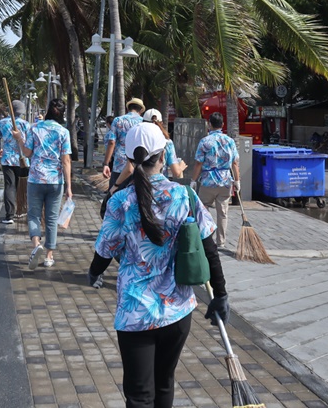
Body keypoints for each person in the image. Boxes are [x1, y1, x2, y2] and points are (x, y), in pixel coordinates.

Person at [89, 122, 229, 408]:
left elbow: (105, 250)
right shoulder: (185, 195)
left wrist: (94, 272)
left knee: (139, 395)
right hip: (177, 310)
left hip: (135, 311)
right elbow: (208, 248)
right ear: (163, 156)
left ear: (130, 159)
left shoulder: (120, 201)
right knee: (165, 382)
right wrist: (221, 294)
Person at [15, 98, 73, 269]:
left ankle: (36, 245)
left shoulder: (35, 128)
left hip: (35, 179)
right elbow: (66, 160)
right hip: (55, 181)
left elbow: (27, 152)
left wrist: (19, 139)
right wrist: (69, 186)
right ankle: (49, 256)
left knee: (33, 215)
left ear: (47, 110)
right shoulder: (63, 132)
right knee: (51, 219)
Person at [190, 112, 240, 248]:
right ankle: (221, 241)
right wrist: (237, 181)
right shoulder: (230, 141)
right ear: (222, 124)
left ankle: (206, 237)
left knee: (203, 209)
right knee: (223, 212)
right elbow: (235, 163)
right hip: (225, 181)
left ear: (209, 124)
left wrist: (193, 180)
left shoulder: (205, 142)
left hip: (208, 181)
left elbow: (198, 163)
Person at [110, 108, 185, 191]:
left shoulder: (138, 141)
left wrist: (116, 185)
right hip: (161, 188)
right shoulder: (167, 143)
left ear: (142, 122)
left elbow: (129, 169)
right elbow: (176, 172)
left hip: (139, 186)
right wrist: (181, 167)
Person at [0, 100, 30, 224]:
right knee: (22, 186)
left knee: (10, 186)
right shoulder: (26, 124)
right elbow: (29, 142)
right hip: (23, 160)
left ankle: (9, 215)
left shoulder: (2, 123)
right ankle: (21, 210)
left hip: (7, 159)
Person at [102, 97, 145, 189]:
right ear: (141, 110)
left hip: (119, 164)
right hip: (138, 165)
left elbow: (111, 142)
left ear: (127, 108)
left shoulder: (118, 120)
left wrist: (106, 163)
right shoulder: (144, 122)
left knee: (115, 192)